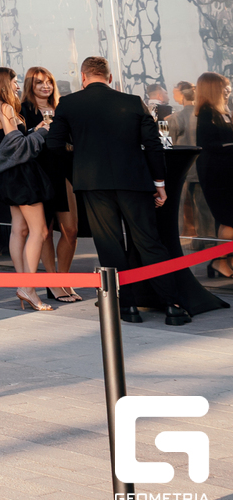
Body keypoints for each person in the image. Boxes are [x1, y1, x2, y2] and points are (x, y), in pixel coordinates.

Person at [43, 55, 191, 325]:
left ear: (83, 77)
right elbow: (153, 145)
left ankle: (127, 307)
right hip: (134, 181)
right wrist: (160, 184)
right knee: (149, 242)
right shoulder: (133, 102)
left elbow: (53, 144)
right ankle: (173, 306)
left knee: (109, 245)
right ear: (109, 77)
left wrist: (78, 171)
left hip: (93, 184)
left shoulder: (69, 103)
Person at [0, 66, 53, 311]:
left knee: (19, 230)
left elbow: (8, 143)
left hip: (7, 176)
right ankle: (28, 288)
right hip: (21, 176)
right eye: (14, 81)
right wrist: (41, 132)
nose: (17, 86)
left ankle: (24, 285)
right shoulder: (5, 108)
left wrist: (32, 130)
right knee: (39, 231)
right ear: (4, 82)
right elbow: (20, 148)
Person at [22, 66, 81, 303]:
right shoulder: (23, 110)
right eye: (39, 82)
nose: (45, 86)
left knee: (71, 230)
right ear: (30, 86)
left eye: (48, 82)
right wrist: (35, 130)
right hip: (39, 173)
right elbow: (18, 141)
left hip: (64, 170)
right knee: (44, 231)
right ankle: (52, 282)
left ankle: (63, 279)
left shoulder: (61, 107)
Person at [191, 72, 233, 280]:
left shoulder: (222, 112)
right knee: (229, 220)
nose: (228, 90)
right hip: (217, 176)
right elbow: (208, 145)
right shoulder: (207, 114)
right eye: (224, 87)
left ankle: (225, 260)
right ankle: (219, 261)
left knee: (228, 221)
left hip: (226, 174)